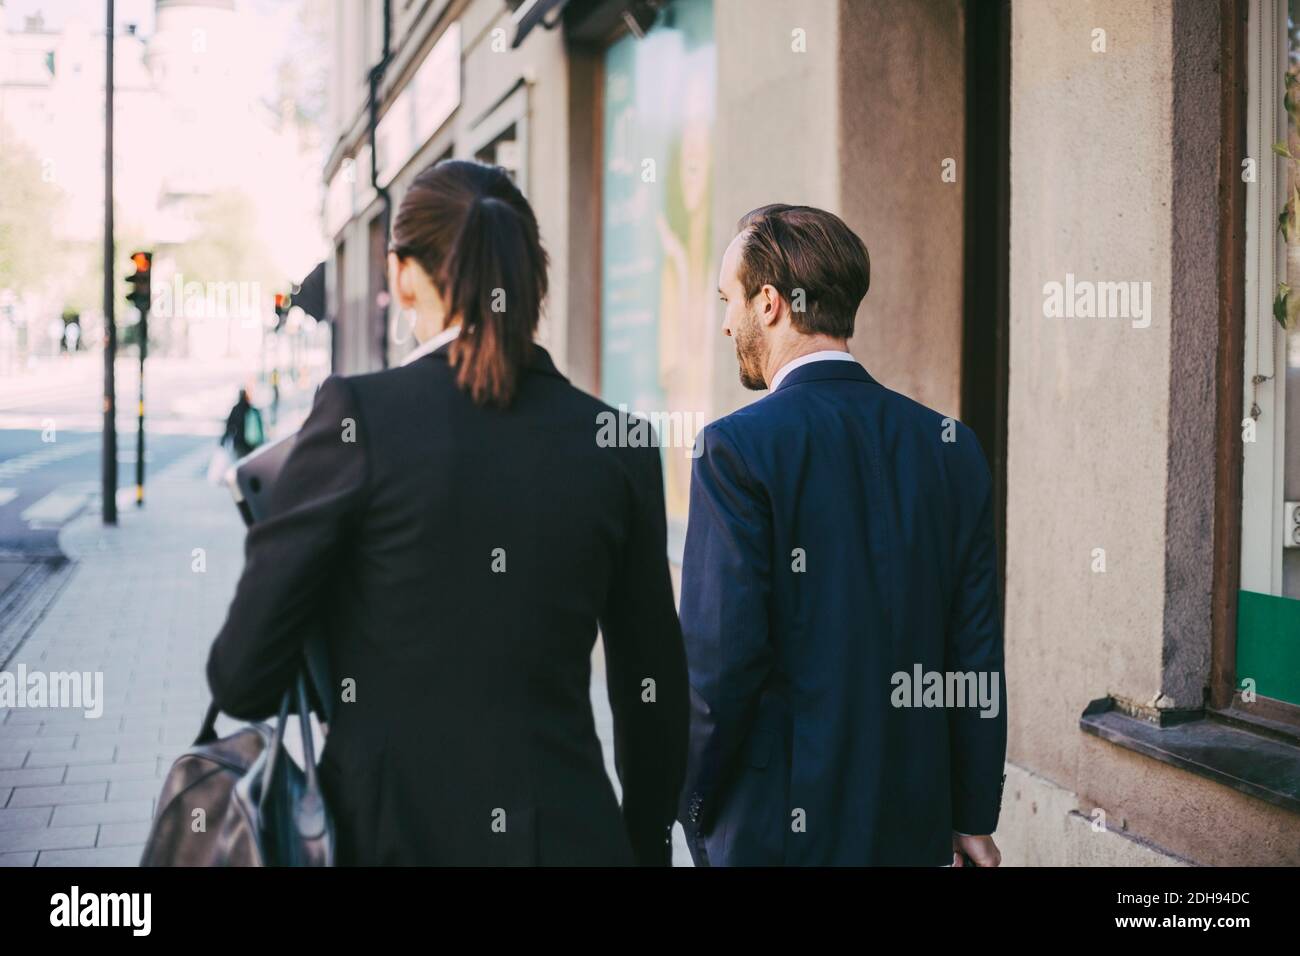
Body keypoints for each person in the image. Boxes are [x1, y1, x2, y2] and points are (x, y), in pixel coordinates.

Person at [206, 159, 688, 866]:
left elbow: (242, 677)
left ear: (403, 275)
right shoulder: (618, 445)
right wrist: (643, 843)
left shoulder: (356, 420)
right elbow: (652, 695)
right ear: (534, 275)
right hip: (571, 836)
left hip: (389, 839)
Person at [676, 204, 1007, 866]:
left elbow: (717, 670)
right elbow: (975, 659)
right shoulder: (951, 449)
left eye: (729, 300)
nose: (725, 322)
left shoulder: (734, 450)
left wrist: (693, 806)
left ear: (770, 303)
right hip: (912, 829)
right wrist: (971, 814)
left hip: (776, 836)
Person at [220, 388, 263, 459]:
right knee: (249, 461)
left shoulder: (235, 409)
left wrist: (223, 441)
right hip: (251, 443)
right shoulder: (252, 409)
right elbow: (259, 426)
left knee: (240, 461)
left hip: (239, 443)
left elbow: (229, 426)